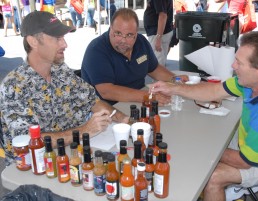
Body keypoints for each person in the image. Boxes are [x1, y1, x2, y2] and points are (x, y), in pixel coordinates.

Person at [150, 30, 258, 201]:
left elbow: (245, 162)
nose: (233, 66)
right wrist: (173, 88)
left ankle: (225, 188)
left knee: (212, 175)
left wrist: (204, 147)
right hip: (257, 144)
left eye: (239, 63)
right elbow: (214, 91)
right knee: (204, 145)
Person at [0, 11, 128, 164]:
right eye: (57, 38)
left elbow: (91, 100)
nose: (65, 44)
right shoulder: (13, 87)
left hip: (73, 154)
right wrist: (84, 131)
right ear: (33, 41)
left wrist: (124, 119)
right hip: (36, 165)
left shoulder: (60, 69)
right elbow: (30, 141)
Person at [81, 8, 188, 106]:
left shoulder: (141, 42)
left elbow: (154, 69)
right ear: (110, 29)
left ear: (136, 34)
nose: (123, 40)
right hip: (107, 109)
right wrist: (148, 96)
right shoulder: (97, 50)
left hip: (137, 101)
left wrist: (176, 80)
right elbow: (107, 91)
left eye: (129, 35)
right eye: (118, 33)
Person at [143, 0, 173, 66]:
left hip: (157, 32)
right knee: (157, 61)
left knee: (157, 64)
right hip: (158, 32)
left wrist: (158, 38)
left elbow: (163, 15)